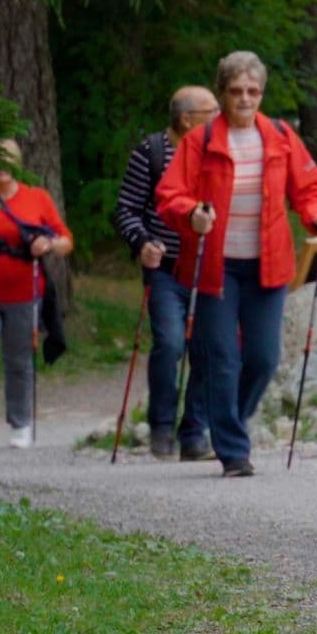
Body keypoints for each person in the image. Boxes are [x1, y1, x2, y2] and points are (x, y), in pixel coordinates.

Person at [157, 52, 317, 478]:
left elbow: (308, 188)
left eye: (252, 91)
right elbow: (170, 195)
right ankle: (233, 450)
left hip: (268, 266)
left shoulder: (279, 136)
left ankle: (230, 416)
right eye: (236, 91)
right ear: (221, 94)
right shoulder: (198, 142)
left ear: (261, 94)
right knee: (220, 358)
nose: (245, 98)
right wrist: (192, 214)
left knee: (263, 358)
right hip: (215, 266)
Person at [114, 86, 219, 460]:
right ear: (187, 119)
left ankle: (194, 433)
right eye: (212, 110)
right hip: (166, 269)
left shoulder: (215, 152)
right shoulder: (152, 153)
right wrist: (142, 242)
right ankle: (160, 427)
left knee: (207, 349)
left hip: (207, 265)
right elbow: (125, 209)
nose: (220, 116)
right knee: (171, 343)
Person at [0, 139, 73, 454]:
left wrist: (48, 245)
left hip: (24, 295)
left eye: (6, 159)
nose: (0, 166)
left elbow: (65, 240)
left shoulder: (36, 199)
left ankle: (21, 423)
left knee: (19, 360)